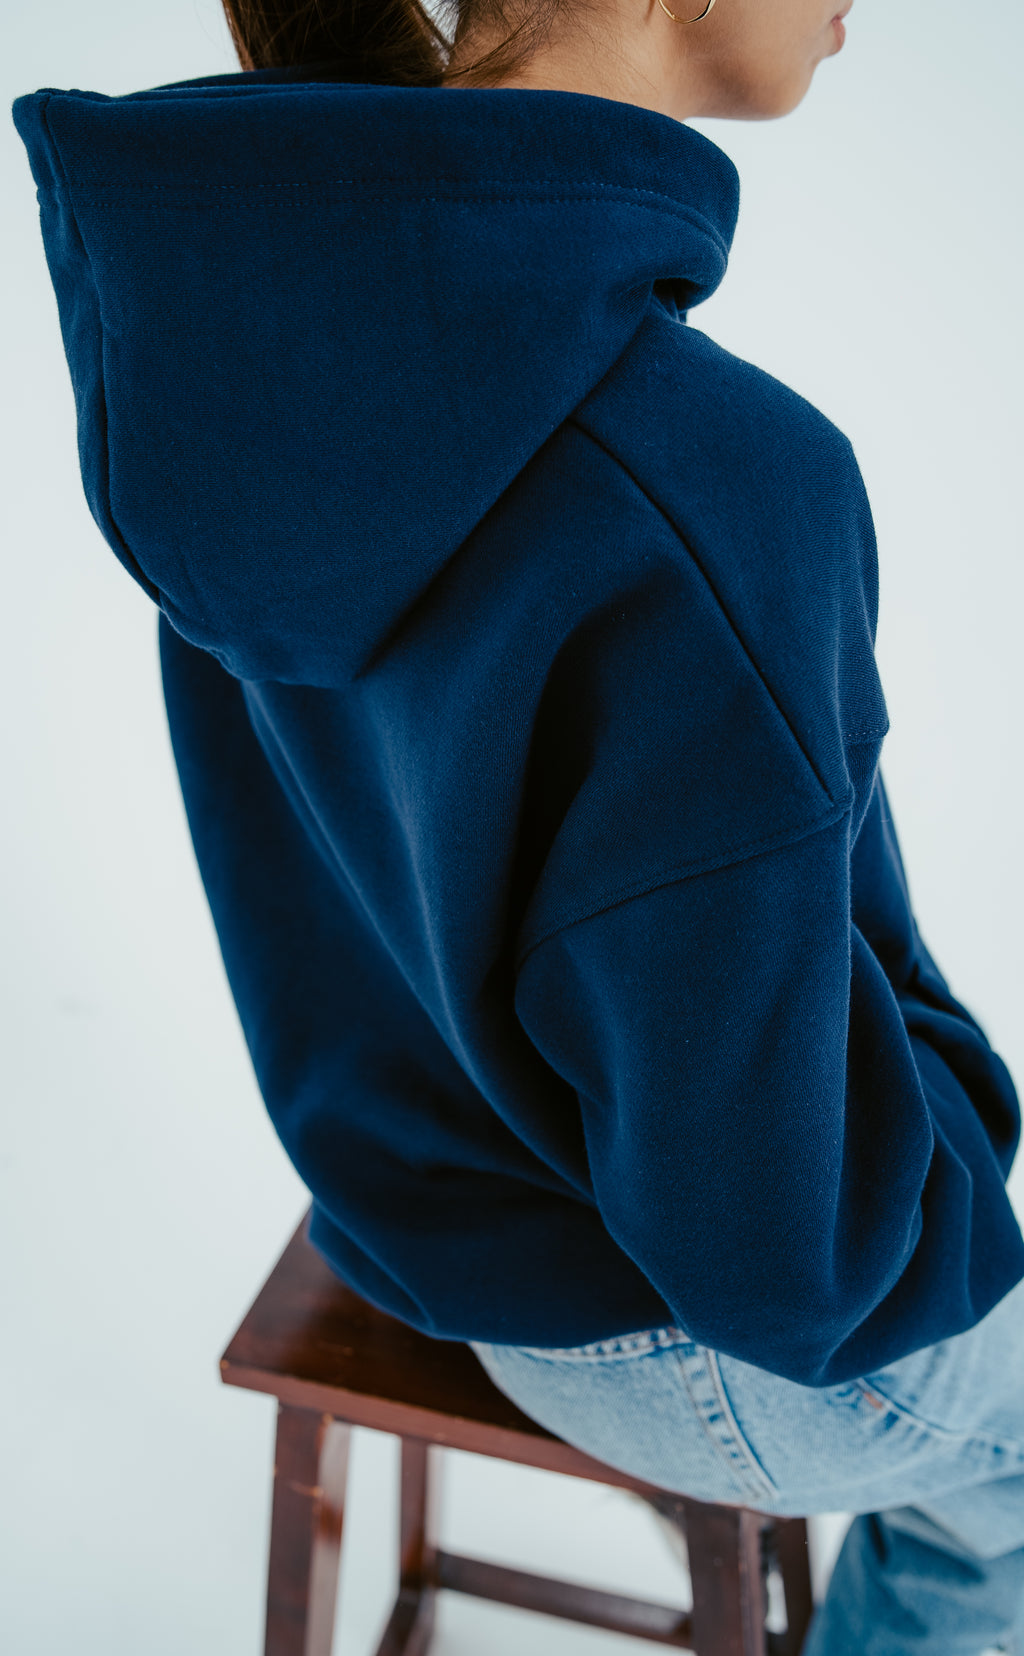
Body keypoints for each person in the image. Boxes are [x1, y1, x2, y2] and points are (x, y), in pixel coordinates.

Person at [11, 0, 1024, 1649]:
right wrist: (969, 1119)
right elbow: (794, 1263)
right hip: (672, 1334)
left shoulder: (246, 354)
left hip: (424, 1208)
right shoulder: (719, 484)